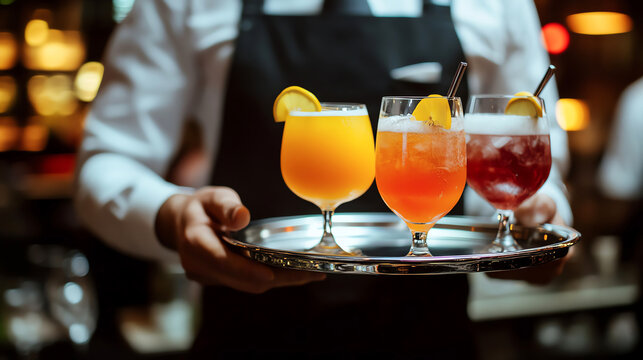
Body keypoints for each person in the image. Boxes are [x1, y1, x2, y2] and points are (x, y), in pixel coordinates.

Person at [74, 0, 573, 357]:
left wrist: (537, 219)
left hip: (429, 332)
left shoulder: (498, 6)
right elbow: (105, 163)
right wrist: (171, 216)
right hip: (249, 331)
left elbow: (524, 146)